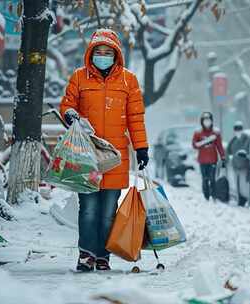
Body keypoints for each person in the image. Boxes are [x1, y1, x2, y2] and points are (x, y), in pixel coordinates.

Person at [60, 29, 149, 272]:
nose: (102, 56)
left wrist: (141, 147)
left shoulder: (128, 80)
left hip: (115, 157)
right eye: (98, 52)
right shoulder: (79, 78)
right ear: (90, 53)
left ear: (115, 55)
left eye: (107, 52)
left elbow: (135, 118)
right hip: (86, 155)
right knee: (88, 209)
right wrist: (69, 114)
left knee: (108, 212)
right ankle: (86, 255)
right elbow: (68, 104)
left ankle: (103, 256)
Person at [192, 112, 225, 201]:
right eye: (205, 120)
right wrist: (205, 142)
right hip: (202, 161)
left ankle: (214, 195)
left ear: (211, 121)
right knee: (205, 179)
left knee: (212, 178)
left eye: (208, 120)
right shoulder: (198, 133)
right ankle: (206, 196)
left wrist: (223, 157)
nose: (207, 122)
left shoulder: (216, 133)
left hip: (213, 160)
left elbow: (219, 146)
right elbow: (194, 145)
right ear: (202, 122)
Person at [226, 121, 250, 207]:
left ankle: (246, 200)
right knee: (237, 185)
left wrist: (249, 158)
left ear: (242, 130)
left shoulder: (248, 139)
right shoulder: (233, 140)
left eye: (239, 129)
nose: (237, 131)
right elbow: (228, 152)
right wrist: (227, 160)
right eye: (236, 129)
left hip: (245, 166)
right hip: (235, 166)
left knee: (244, 186)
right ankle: (240, 200)